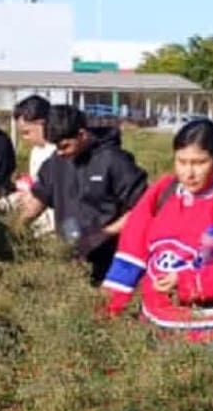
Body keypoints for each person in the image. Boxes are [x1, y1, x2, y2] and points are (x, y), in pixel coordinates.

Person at [101, 118, 213, 354]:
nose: (189, 173)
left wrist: (187, 281)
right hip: (160, 330)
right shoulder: (162, 192)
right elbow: (130, 256)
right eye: (182, 162)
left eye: (199, 163)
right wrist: (107, 311)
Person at [19, 105, 148, 283]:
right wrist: (16, 228)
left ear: (82, 135)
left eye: (64, 146)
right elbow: (39, 197)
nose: (60, 152)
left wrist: (105, 233)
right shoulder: (56, 162)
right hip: (70, 255)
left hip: (111, 257)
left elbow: (142, 208)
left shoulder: (114, 160)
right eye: (56, 147)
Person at [13, 94, 56, 233]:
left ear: (41, 123)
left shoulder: (60, 152)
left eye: (27, 132)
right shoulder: (36, 151)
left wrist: (17, 229)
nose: (25, 139)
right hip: (39, 222)